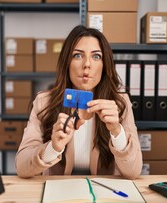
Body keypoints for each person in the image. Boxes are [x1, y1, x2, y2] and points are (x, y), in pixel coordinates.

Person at [15, 25, 142, 180]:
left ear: (105, 65)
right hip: (58, 195)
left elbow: (134, 172)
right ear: (66, 63)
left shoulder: (120, 104)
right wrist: (53, 148)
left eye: (96, 56)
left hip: (104, 196)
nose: (86, 64)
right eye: (77, 55)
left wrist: (117, 131)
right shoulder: (44, 102)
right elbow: (21, 167)